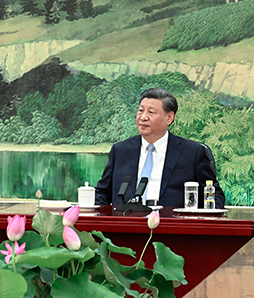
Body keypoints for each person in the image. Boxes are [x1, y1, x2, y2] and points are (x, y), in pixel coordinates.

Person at [95, 87, 224, 208]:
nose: (143, 117)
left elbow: (213, 194)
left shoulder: (192, 152)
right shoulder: (120, 150)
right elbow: (102, 193)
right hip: (127, 225)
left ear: (169, 118)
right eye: (141, 110)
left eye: (151, 112)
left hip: (174, 227)